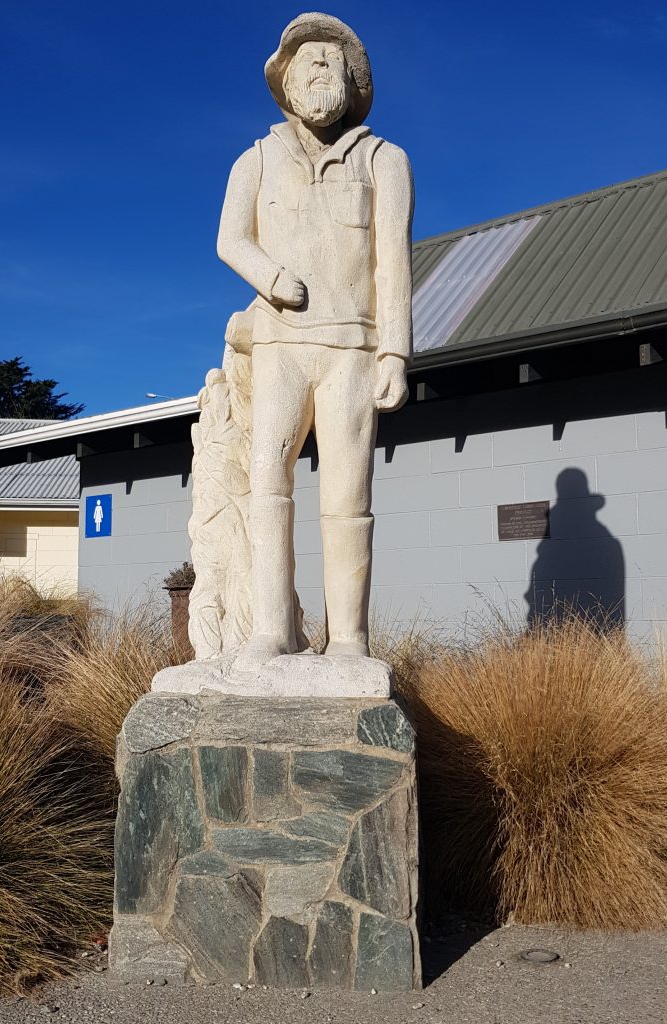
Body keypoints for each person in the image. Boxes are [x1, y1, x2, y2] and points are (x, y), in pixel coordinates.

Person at [217, 13, 414, 668]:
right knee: (268, 480)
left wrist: (395, 351)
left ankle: (349, 639)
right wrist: (271, 278)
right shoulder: (256, 158)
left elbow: (392, 263)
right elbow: (229, 240)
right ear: (284, 81)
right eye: (306, 64)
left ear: (352, 82)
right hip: (279, 343)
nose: (318, 74)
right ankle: (272, 630)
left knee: (347, 494)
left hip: (353, 350)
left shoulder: (384, 161)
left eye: (330, 64)